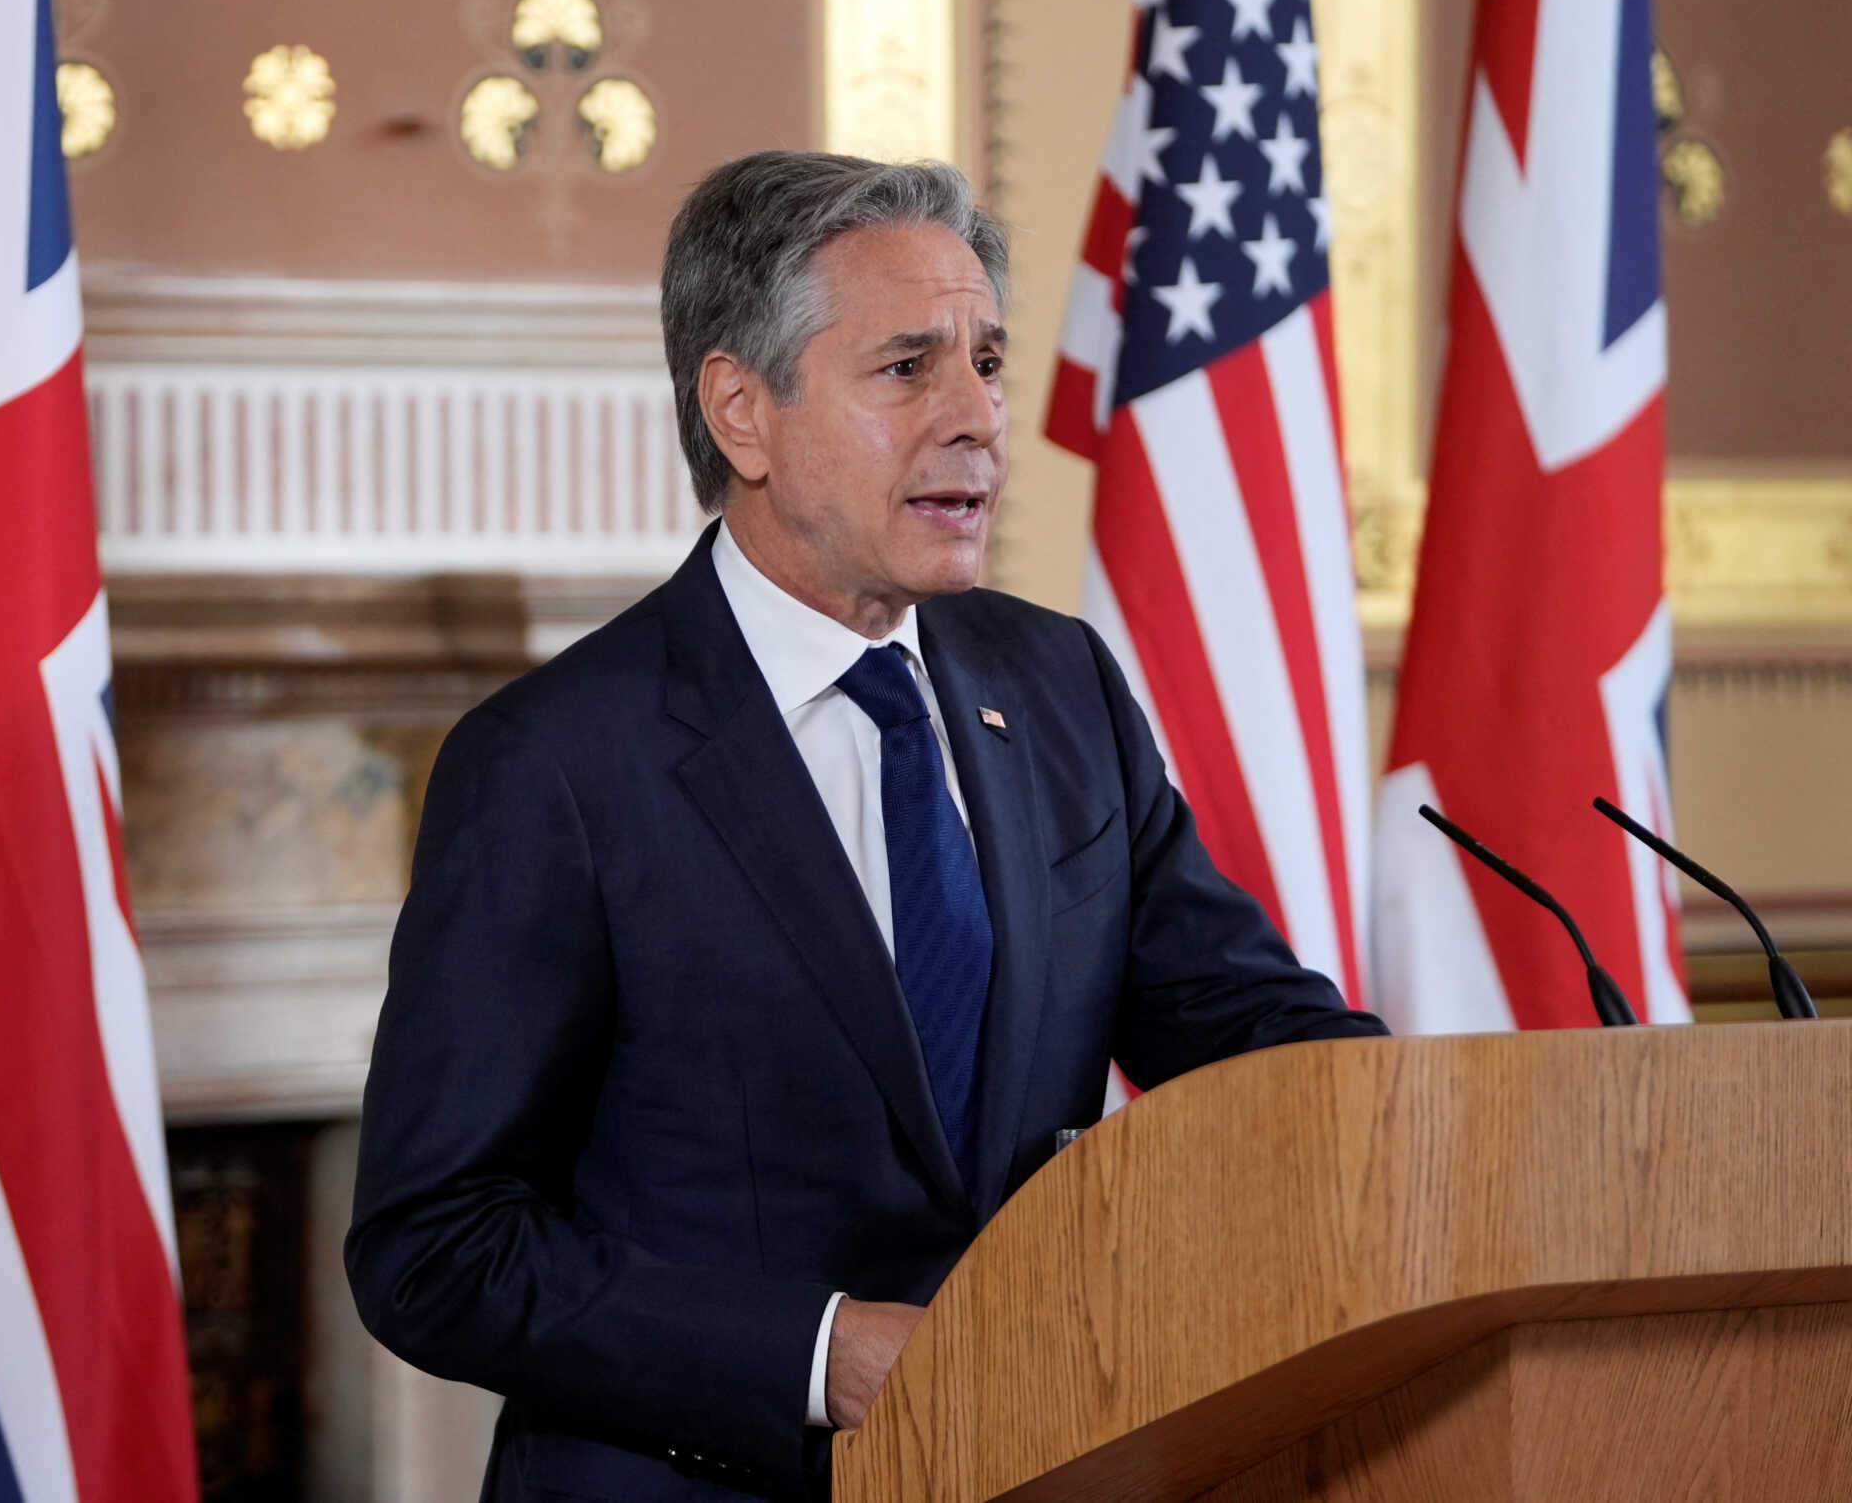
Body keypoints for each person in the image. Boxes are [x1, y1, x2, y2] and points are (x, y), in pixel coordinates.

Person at [344, 151, 1385, 1502]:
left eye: (990, 362)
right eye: (907, 369)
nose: (977, 419)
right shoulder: (555, 765)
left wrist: (1451, 1124)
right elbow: (436, 1248)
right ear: (744, 413)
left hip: (1041, 1463)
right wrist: (822, 1354)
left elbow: (1259, 1046)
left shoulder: (1056, 687)